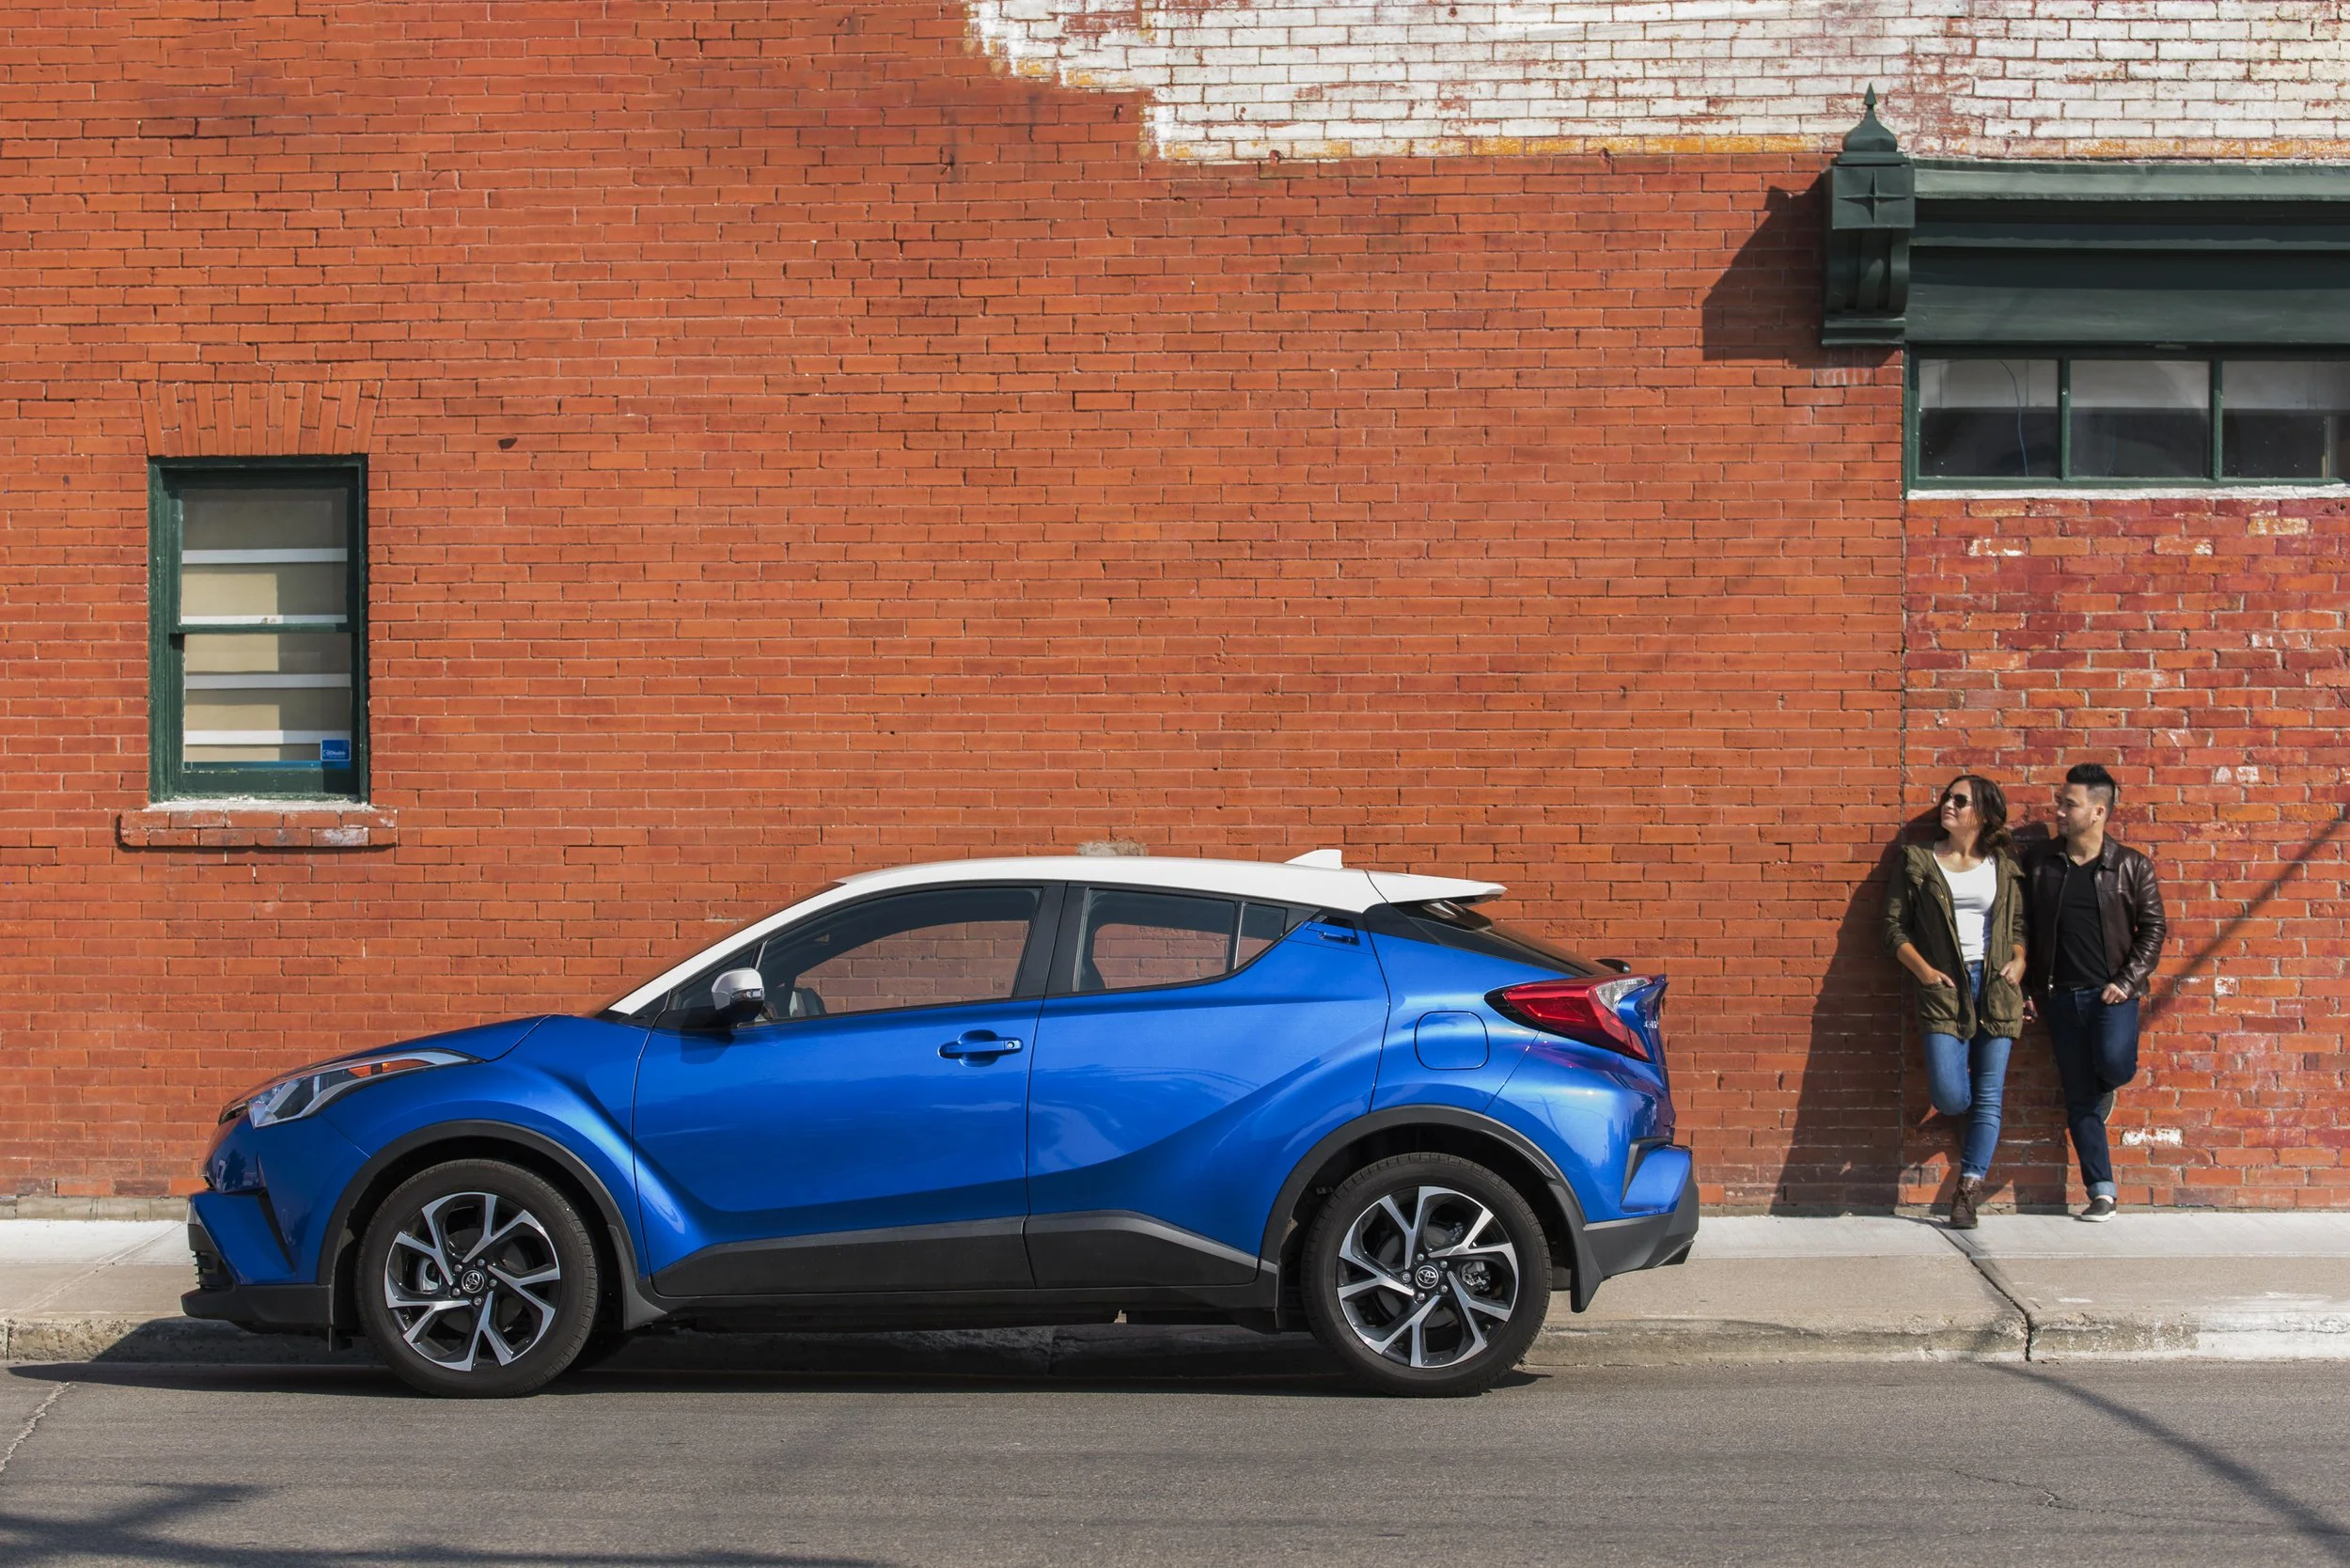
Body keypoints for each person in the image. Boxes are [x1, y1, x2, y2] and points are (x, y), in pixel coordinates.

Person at [1882, 774, 2028, 1230]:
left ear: (1982, 815)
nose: (1948, 804)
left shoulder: (2002, 864)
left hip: (1997, 984)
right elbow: (1892, 928)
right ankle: (1968, 1128)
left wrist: (2020, 961)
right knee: (1949, 1094)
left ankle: (1967, 1190)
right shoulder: (1918, 860)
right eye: (1947, 797)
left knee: (1990, 1096)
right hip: (1944, 985)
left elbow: (2019, 924)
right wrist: (1925, 972)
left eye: (1959, 800)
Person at [2024, 763, 2167, 1222]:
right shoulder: (2040, 864)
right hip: (2059, 996)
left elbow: (2154, 929)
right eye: (2060, 802)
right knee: (2078, 1097)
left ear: (2098, 811)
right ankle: (2101, 1191)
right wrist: (2028, 987)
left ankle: (2108, 1086)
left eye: (2070, 803)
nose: (2060, 811)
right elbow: (2021, 927)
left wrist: (2125, 983)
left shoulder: (2130, 865)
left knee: (2114, 1065)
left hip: (2114, 997)